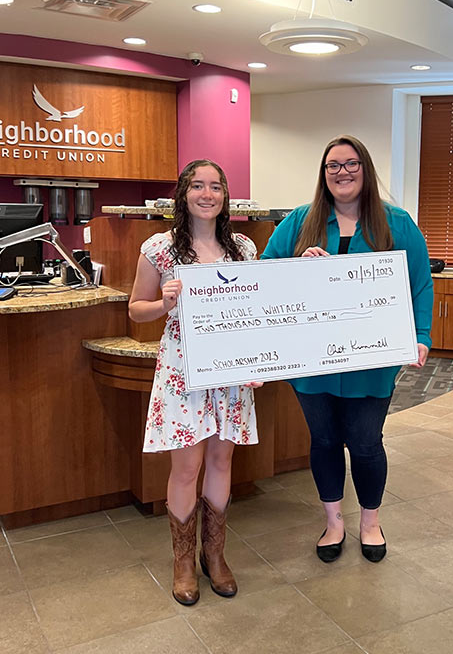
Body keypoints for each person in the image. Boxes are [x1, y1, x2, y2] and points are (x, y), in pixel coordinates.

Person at [261, 135, 433, 563]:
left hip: (370, 361)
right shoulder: (300, 222)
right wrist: (298, 267)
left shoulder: (396, 223)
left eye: (351, 163)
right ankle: (333, 520)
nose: (342, 172)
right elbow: (265, 276)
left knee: (366, 442)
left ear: (365, 169)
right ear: (324, 174)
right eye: (333, 165)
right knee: (323, 440)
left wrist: (422, 335)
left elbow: (420, 283)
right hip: (311, 363)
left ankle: (370, 522)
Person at [129, 159, 262, 606]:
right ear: (182, 194)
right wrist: (162, 302)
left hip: (231, 371)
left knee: (222, 463)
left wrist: (258, 361)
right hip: (183, 371)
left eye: (216, 187)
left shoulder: (243, 248)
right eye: (198, 186)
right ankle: (183, 561)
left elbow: (256, 310)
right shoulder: (160, 249)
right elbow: (135, 309)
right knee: (186, 467)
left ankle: (215, 555)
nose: (208, 194)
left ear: (226, 196)